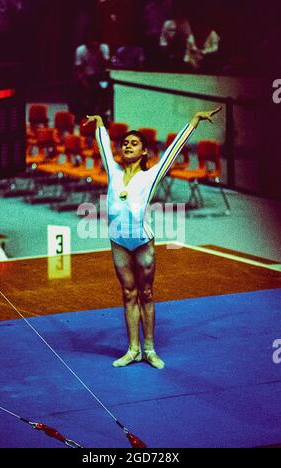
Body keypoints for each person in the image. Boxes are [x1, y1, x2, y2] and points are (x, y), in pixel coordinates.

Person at [84, 106, 222, 369]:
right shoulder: (113, 172)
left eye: (134, 143)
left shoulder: (150, 176)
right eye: (125, 143)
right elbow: (103, 145)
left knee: (146, 293)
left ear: (144, 151)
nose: (127, 146)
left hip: (142, 241)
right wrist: (101, 123)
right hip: (118, 241)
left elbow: (173, 152)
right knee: (127, 293)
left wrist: (193, 121)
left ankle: (149, 349)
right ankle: (133, 349)